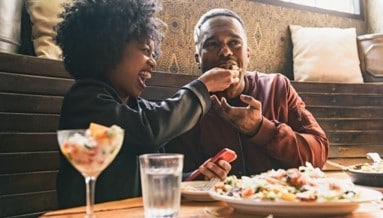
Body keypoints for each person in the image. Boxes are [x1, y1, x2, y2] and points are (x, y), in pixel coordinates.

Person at [55, 1, 235, 209]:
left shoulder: (137, 107)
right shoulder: (84, 99)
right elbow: (148, 130)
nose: (153, 62)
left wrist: (194, 178)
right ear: (110, 47)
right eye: (145, 50)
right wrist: (202, 87)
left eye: (153, 53)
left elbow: (148, 182)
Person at [165, 8, 329, 180]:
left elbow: (319, 153)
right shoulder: (186, 105)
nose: (226, 52)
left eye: (235, 43)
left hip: (279, 200)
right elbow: (170, 173)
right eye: (213, 44)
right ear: (198, 58)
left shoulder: (277, 87)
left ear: (248, 54)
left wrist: (261, 128)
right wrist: (198, 176)